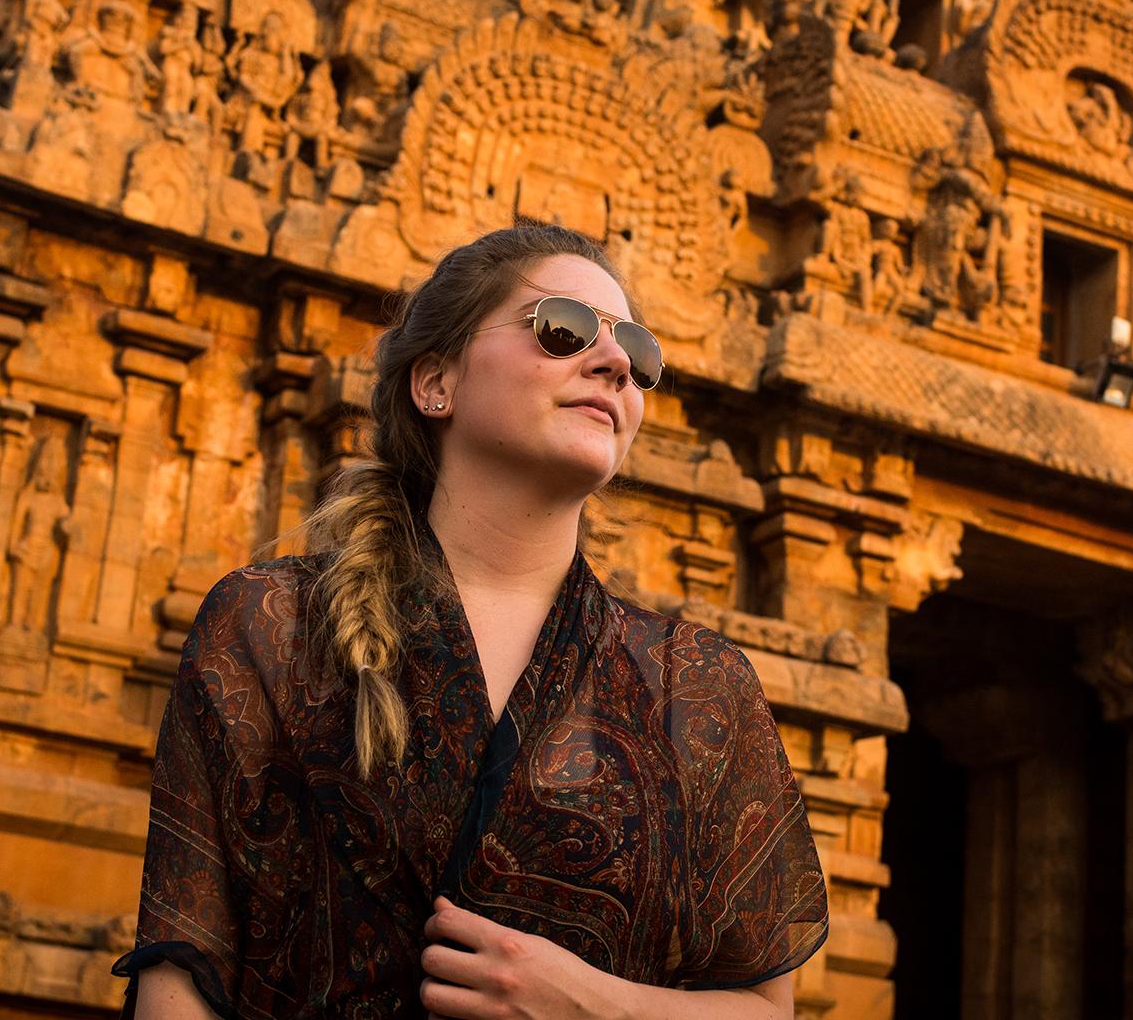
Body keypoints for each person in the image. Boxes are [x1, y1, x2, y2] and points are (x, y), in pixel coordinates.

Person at [113, 221, 829, 1018]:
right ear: (435, 383)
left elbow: (765, 1007)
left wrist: (587, 1004)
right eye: (563, 330)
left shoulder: (696, 687)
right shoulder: (272, 626)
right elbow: (180, 973)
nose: (616, 362)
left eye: (638, 354)